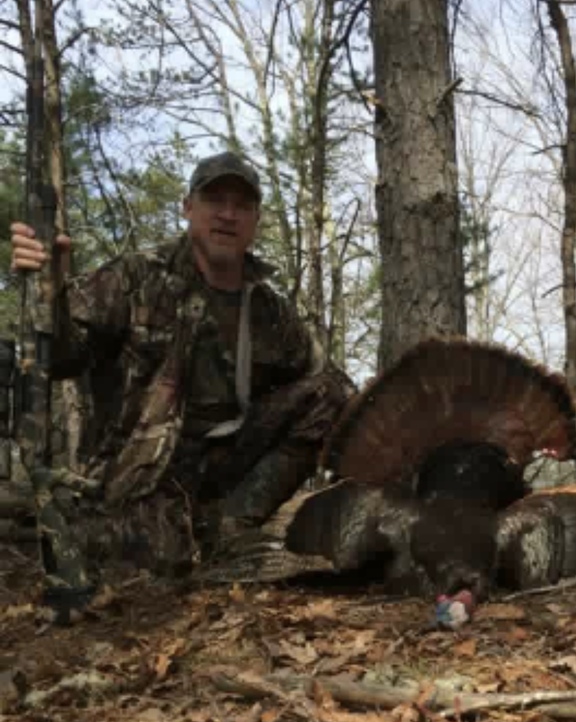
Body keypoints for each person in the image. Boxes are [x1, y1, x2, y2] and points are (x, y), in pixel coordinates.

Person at [10, 151, 354, 602]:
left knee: (332, 395)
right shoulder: (135, 277)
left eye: (242, 205)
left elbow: (334, 393)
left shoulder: (268, 309)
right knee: (161, 570)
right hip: (142, 481)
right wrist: (46, 291)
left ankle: (236, 524)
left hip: (224, 471)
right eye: (214, 199)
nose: (227, 215)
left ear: (255, 220)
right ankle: (139, 534)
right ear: (187, 207)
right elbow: (58, 358)